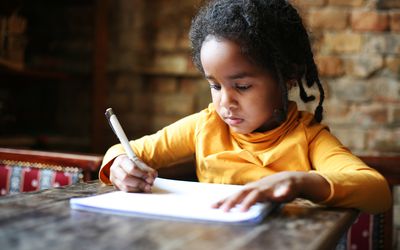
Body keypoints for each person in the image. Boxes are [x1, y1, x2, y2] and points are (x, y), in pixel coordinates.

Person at [99, 0, 391, 214]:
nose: (225, 102)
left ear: (287, 76)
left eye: (242, 87)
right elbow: (124, 151)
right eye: (215, 86)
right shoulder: (206, 126)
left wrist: (300, 182)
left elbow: (375, 190)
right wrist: (120, 167)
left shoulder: (308, 138)